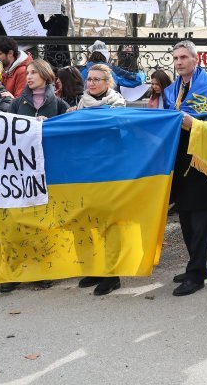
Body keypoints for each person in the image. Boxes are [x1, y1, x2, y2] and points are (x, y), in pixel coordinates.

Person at [163, 40, 207, 296]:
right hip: (179, 162)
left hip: (201, 164)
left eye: (183, 58)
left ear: (195, 59)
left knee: (199, 220)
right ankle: (196, 265)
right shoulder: (172, 90)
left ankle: (197, 275)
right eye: (176, 58)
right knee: (186, 219)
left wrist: (192, 124)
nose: (179, 62)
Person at [0, 59, 68, 293]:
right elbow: (5, 132)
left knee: (43, 223)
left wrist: (49, 125)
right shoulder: (18, 103)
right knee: (16, 223)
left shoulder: (59, 104)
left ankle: (43, 270)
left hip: (47, 172)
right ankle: (15, 271)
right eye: (27, 73)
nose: (28, 76)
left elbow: (66, 133)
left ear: (45, 75)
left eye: (33, 72)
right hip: (20, 171)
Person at [72, 64, 127, 296]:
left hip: (109, 170)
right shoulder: (81, 104)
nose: (92, 83)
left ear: (108, 83)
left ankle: (112, 273)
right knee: (87, 220)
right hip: (86, 170)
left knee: (108, 223)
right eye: (89, 79)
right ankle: (95, 268)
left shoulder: (118, 104)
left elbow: (120, 133)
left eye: (97, 79)